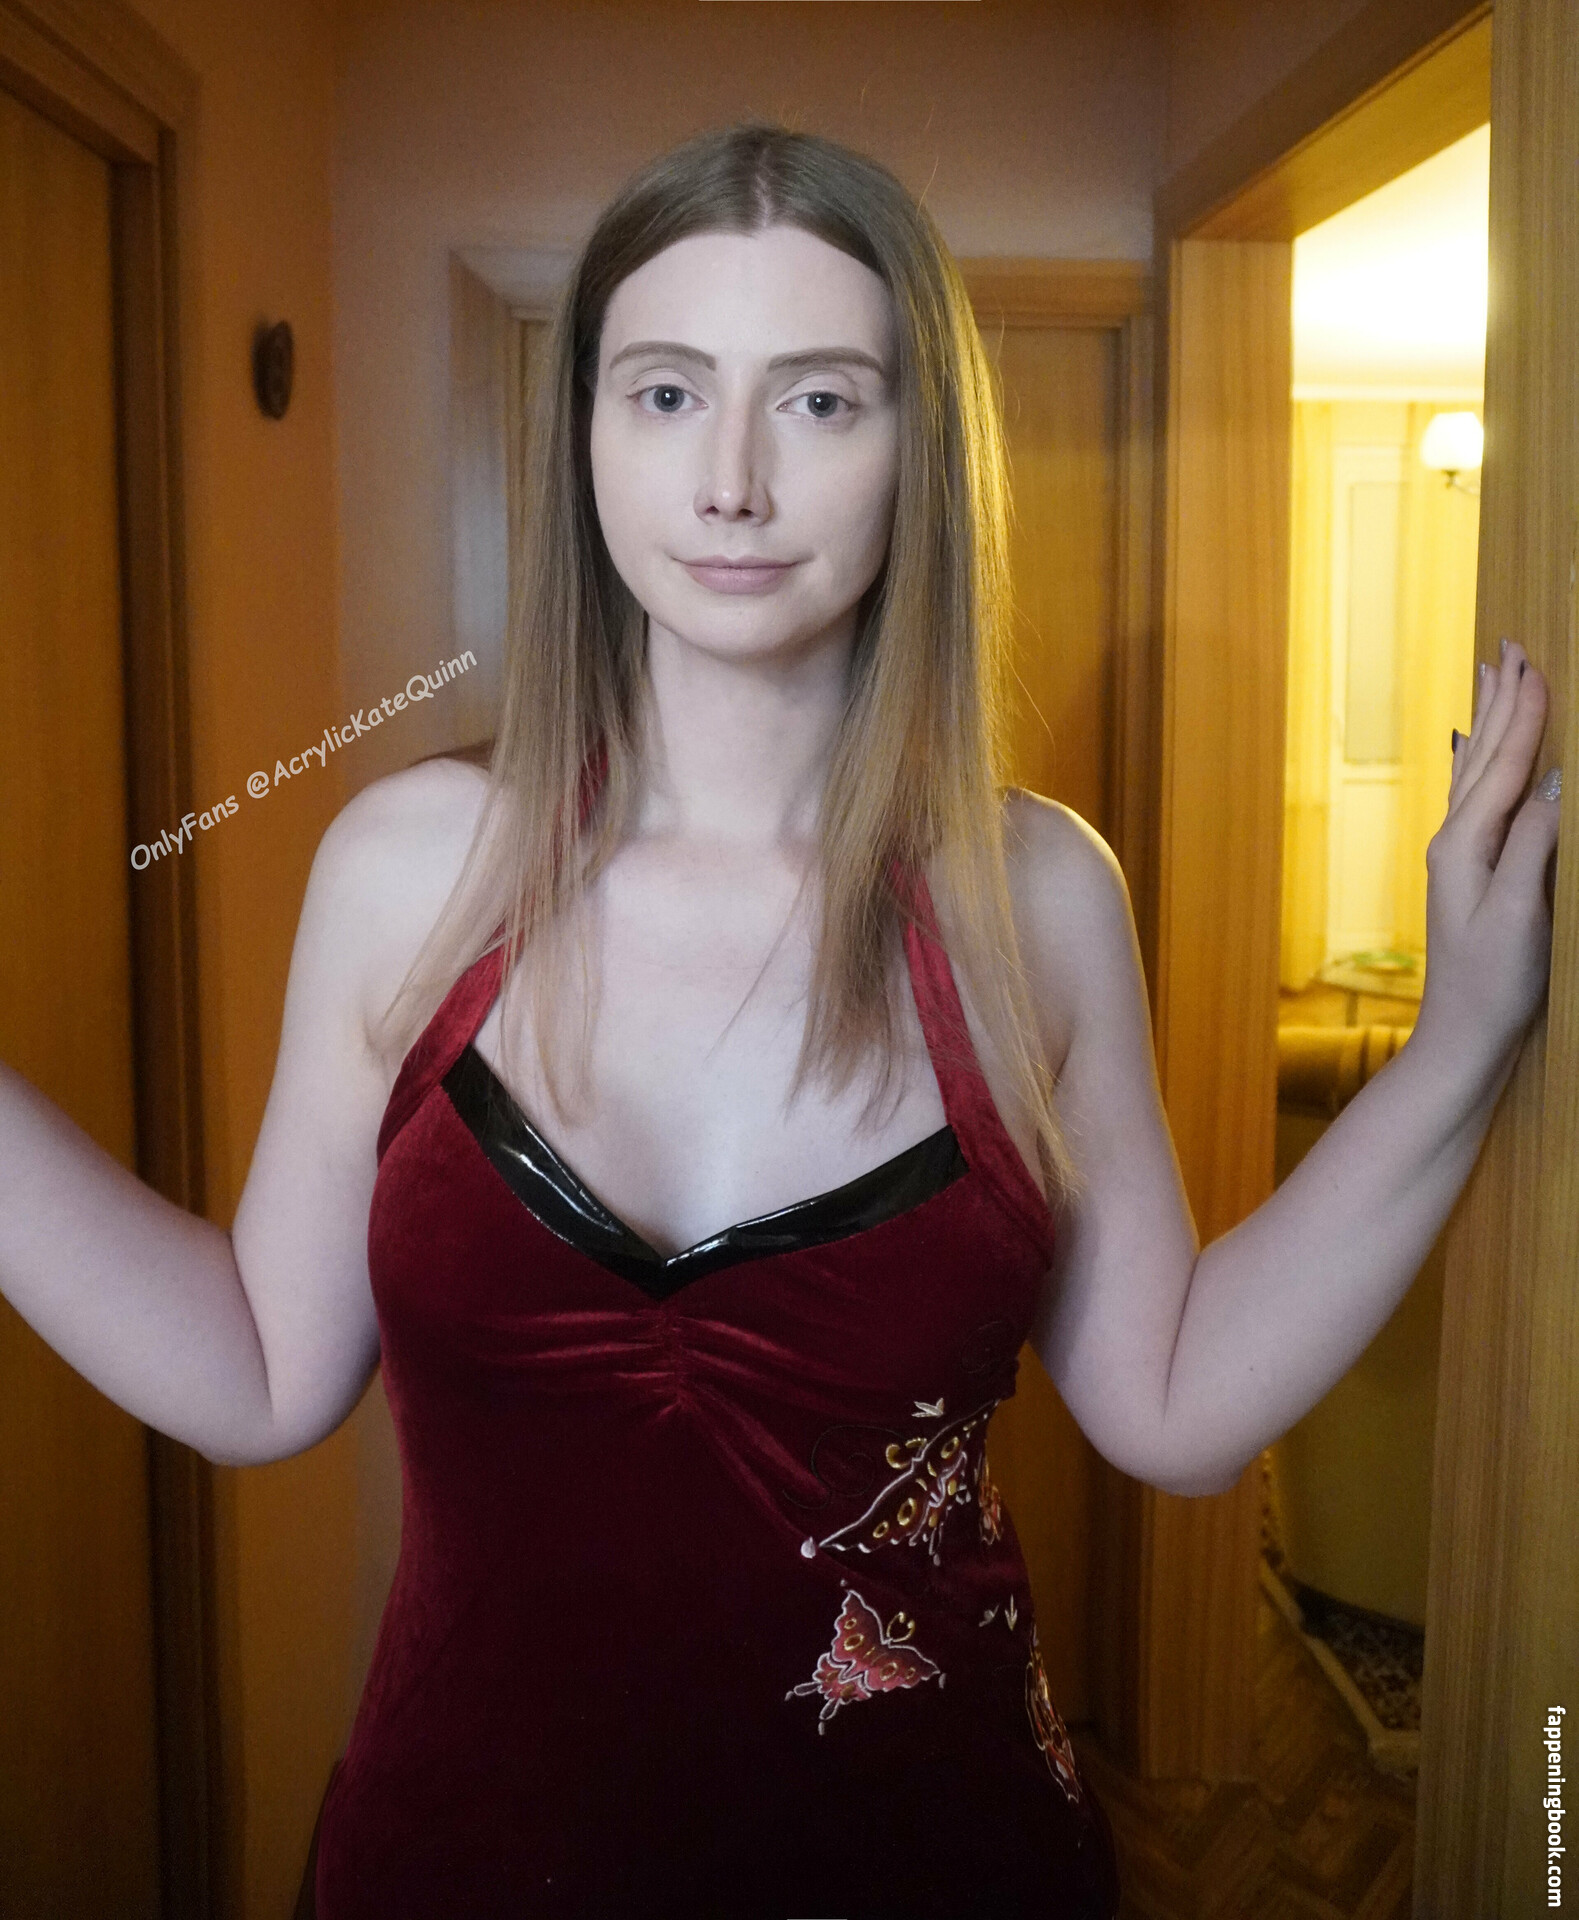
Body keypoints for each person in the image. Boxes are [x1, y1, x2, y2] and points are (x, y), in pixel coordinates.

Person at [0, 121, 1560, 1919]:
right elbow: (261, 1373)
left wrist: (1462, 1041)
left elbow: (1175, 1404)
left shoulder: (1036, 897)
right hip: (460, 1865)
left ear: (922, 450)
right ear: (588, 433)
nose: (731, 481)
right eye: (667, 393)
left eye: (819, 401)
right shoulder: (408, 870)